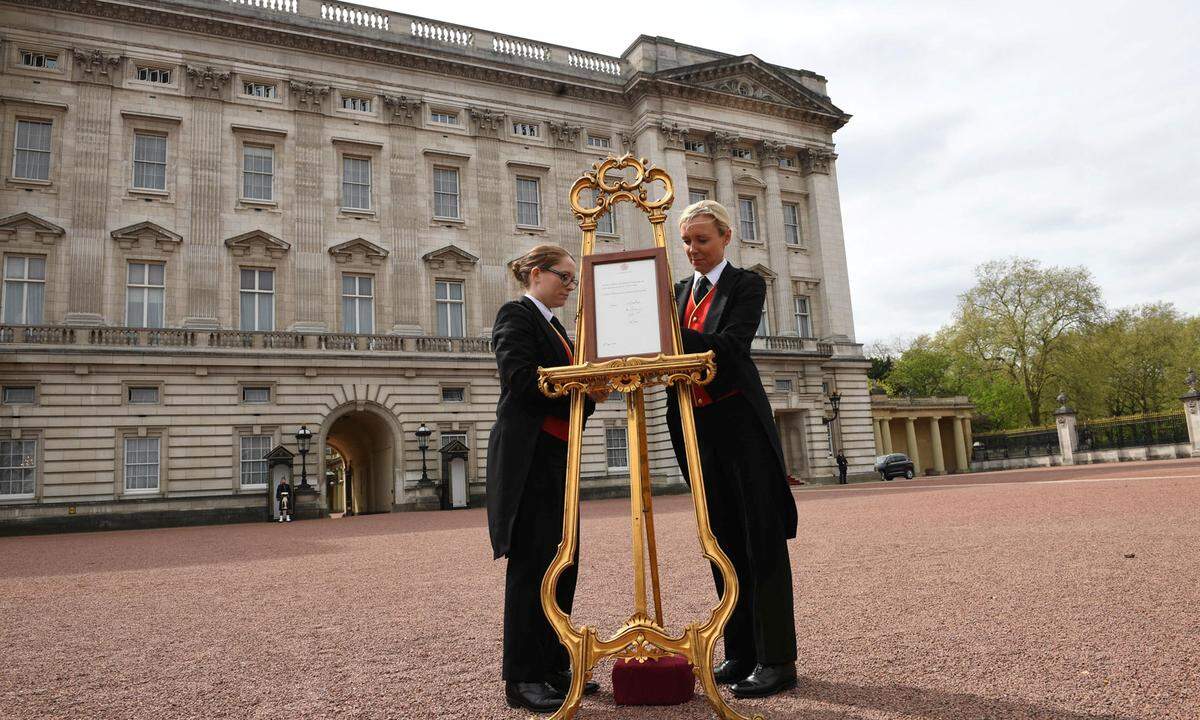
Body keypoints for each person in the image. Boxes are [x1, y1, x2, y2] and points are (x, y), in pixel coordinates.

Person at [665, 200, 798, 699]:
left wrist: (665, 332)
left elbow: (730, 344)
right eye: (687, 242)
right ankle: (739, 652)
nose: (693, 250)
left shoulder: (746, 284)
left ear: (725, 238)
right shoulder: (677, 292)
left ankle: (777, 659)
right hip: (695, 428)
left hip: (741, 425)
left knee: (760, 541)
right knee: (720, 542)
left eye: (702, 240)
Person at [486, 244, 603, 713]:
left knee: (564, 562)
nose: (570, 286)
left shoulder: (556, 327)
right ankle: (522, 677)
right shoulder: (516, 314)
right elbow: (519, 377)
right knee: (533, 566)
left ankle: (553, 664)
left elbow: (575, 399)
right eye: (565, 277)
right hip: (530, 458)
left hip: (559, 455)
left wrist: (590, 389)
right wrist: (580, 382)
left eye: (573, 280)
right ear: (537, 274)